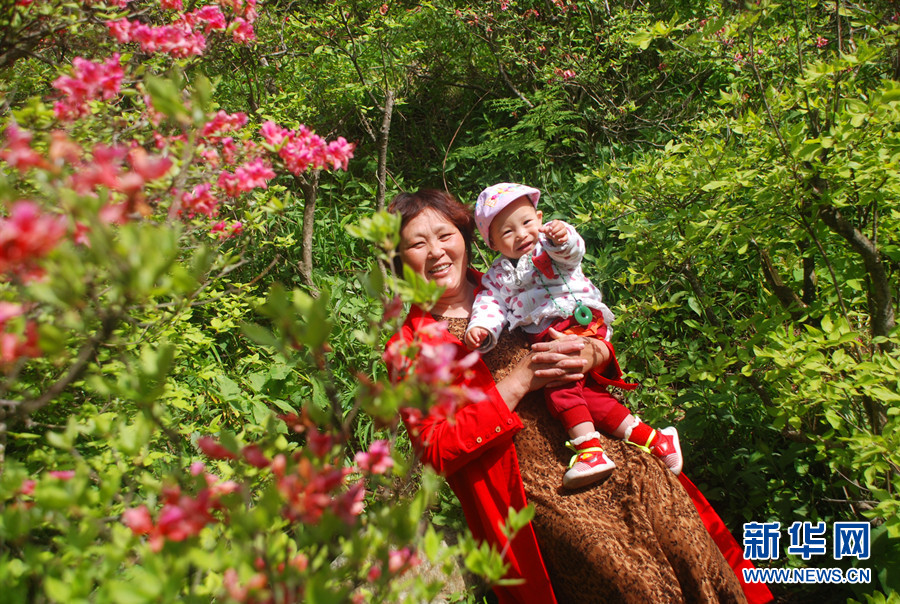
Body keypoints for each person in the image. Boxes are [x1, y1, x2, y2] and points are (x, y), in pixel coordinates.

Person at [384, 188, 770, 604]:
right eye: (417, 244)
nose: (436, 252)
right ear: (398, 260)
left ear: (465, 237)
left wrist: (592, 351)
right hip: (533, 492)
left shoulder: (514, 278)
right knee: (628, 580)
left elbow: (590, 338)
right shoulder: (409, 347)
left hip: (600, 448)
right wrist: (518, 381)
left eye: (445, 236)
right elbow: (437, 449)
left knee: (688, 542)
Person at [464, 182, 681, 489]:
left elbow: (572, 252)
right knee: (587, 398)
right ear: (493, 244)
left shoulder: (549, 244)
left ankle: (589, 451)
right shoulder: (497, 275)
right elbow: (490, 303)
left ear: (539, 218)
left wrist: (560, 238)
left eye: (526, 222)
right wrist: (481, 329)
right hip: (548, 334)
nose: (522, 234)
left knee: (558, 386)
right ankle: (656, 439)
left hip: (578, 319)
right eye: (507, 232)